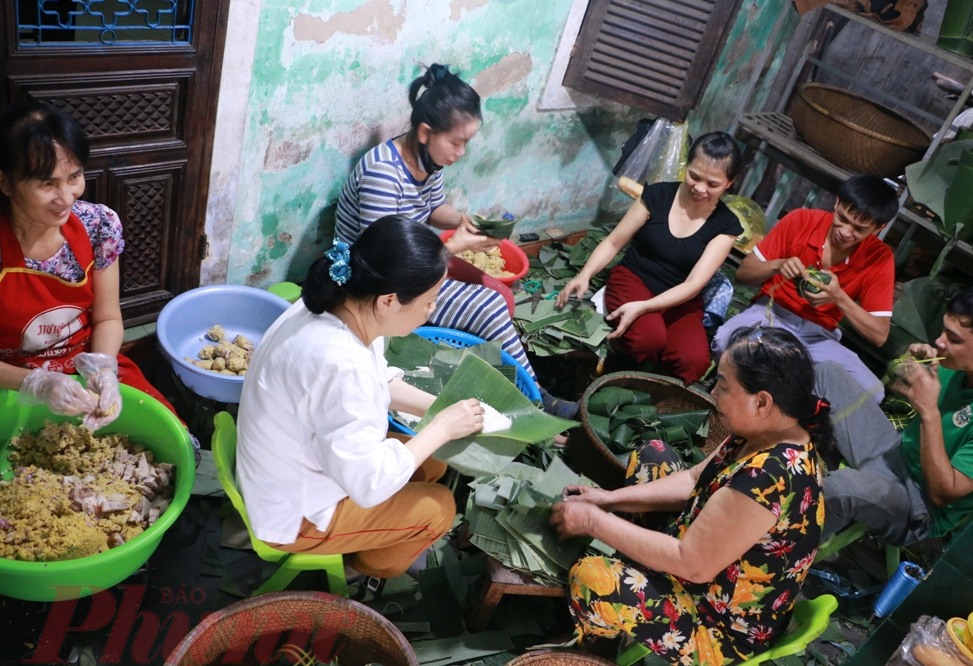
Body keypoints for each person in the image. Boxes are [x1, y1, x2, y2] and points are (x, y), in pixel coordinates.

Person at [551, 326, 828, 666]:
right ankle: (630, 571)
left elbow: (692, 564)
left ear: (761, 402)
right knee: (654, 454)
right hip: (704, 561)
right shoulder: (764, 433)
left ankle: (597, 649)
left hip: (715, 625)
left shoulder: (771, 477)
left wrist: (595, 522)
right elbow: (694, 478)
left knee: (591, 577)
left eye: (724, 386)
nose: (713, 393)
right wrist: (607, 499)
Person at [237, 216, 484, 579]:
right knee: (440, 508)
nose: (431, 311)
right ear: (388, 300)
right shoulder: (343, 364)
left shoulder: (338, 304)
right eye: (429, 302)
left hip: (284, 468)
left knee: (433, 464)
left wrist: (439, 411)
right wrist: (442, 429)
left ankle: (377, 537)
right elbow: (370, 485)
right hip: (295, 513)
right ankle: (360, 570)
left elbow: (377, 382)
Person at [335, 62, 577, 418]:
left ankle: (518, 386)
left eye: (466, 142)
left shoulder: (427, 161)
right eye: (456, 142)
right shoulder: (382, 175)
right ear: (424, 132)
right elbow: (390, 263)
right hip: (375, 284)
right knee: (490, 306)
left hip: (415, 265)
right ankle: (537, 401)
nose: (460, 152)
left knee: (497, 291)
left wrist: (467, 220)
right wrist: (455, 246)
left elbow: (434, 209)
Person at [0, 101, 177, 429]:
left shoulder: (99, 225)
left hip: (81, 362)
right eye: (47, 184)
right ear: (4, 181)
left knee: (170, 444)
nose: (66, 197)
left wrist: (102, 369)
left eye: (75, 176)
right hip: (1, 378)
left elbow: (107, 316)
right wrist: (33, 384)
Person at [557, 132, 744, 384]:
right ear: (686, 166)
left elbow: (693, 285)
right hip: (634, 280)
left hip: (680, 298)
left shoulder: (726, 225)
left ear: (729, 183)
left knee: (694, 361)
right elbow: (614, 241)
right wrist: (585, 274)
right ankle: (612, 373)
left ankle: (654, 393)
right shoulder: (656, 196)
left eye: (712, 184)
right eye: (694, 176)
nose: (700, 188)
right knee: (648, 339)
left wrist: (645, 307)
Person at [819, 284, 973, 546]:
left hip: (918, 505)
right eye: (944, 329)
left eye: (954, 339)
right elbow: (903, 377)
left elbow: (942, 495)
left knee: (842, 488)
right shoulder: (955, 363)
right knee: (827, 373)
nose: (939, 341)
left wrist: (929, 413)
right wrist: (910, 363)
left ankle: (784, 556)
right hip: (895, 453)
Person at [713, 175, 899, 403]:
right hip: (770, 317)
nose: (846, 232)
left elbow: (879, 335)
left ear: (879, 228)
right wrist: (778, 265)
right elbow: (743, 275)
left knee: (872, 394)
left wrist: (839, 297)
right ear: (837, 202)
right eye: (842, 218)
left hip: (819, 337)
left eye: (860, 229)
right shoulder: (801, 220)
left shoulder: (879, 257)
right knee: (726, 343)